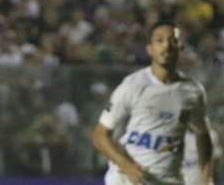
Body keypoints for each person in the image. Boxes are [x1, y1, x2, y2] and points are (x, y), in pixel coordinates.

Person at [91, 21, 215, 185]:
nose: (166, 46)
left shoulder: (193, 90)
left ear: (181, 48)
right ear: (150, 49)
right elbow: (99, 136)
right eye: (159, 40)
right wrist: (127, 166)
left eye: (172, 41)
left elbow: (203, 135)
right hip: (126, 180)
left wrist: (206, 178)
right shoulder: (132, 85)